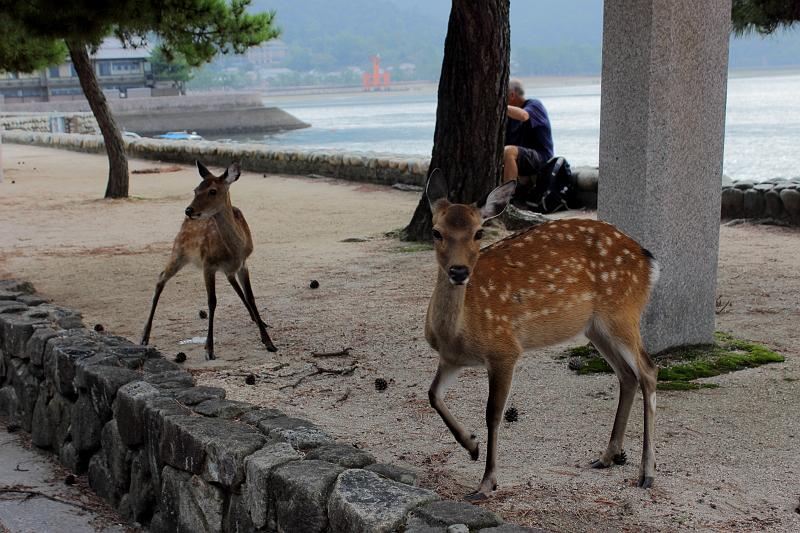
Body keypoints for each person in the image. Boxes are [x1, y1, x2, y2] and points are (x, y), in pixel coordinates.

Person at [503, 79, 554, 185]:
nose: (502, 99)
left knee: (508, 152)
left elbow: (524, 116)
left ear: (512, 95)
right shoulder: (509, 116)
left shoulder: (534, 105)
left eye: (503, 96)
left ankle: (506, 197)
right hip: (522, 158)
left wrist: (500, 106)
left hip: (542, 158)